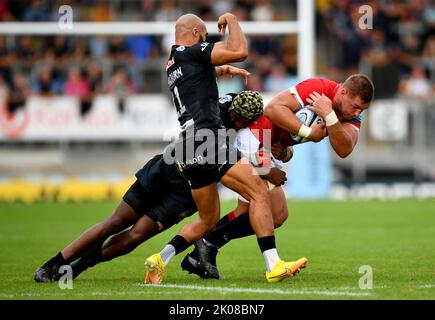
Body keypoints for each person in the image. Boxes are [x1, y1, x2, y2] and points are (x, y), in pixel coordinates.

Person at [33, 89, 264, 283]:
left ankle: (79, 266)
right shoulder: (214, 113)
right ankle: (52, 264)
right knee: (115, 222)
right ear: (232, 107)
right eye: (236, 117)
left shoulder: (246, 122)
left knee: (136, 235)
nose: (239, 123)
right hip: (168, 169)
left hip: (190, 192)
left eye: (244, 121)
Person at [144, 12, 306, 285]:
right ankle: (274, 264)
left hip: (187, 145)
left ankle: (160, 258)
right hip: (207, 139)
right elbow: (239, 50)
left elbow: (197, 78)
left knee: (209, 218)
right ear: (195, 32)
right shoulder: (191, 51)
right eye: (205, 35)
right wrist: (231, 19)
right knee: (259, 192)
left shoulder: (173, 63)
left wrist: (220, 70)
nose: (207, 39)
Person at [182, 74, 375, 279]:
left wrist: (329, 117)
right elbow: (272, 109)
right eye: (355, 106)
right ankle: (272, 264)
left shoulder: (345, 115)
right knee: (274, 208)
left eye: (361, 110)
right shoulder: (317, 88)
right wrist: (308, 132)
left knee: (250, 212)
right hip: (254, 137)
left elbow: (344, 149)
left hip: (267, 146)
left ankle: (202, 250)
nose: (357, 112)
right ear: (344, 92)